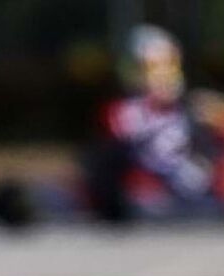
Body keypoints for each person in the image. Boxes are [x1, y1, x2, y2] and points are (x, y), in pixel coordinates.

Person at [86, 24, 214, 220]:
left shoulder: (192, 108)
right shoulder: (120, 112)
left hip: (189, 188)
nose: (163, 73)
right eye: (153, 66)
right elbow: (115, 159)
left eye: (169, 64)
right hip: (144, 192)